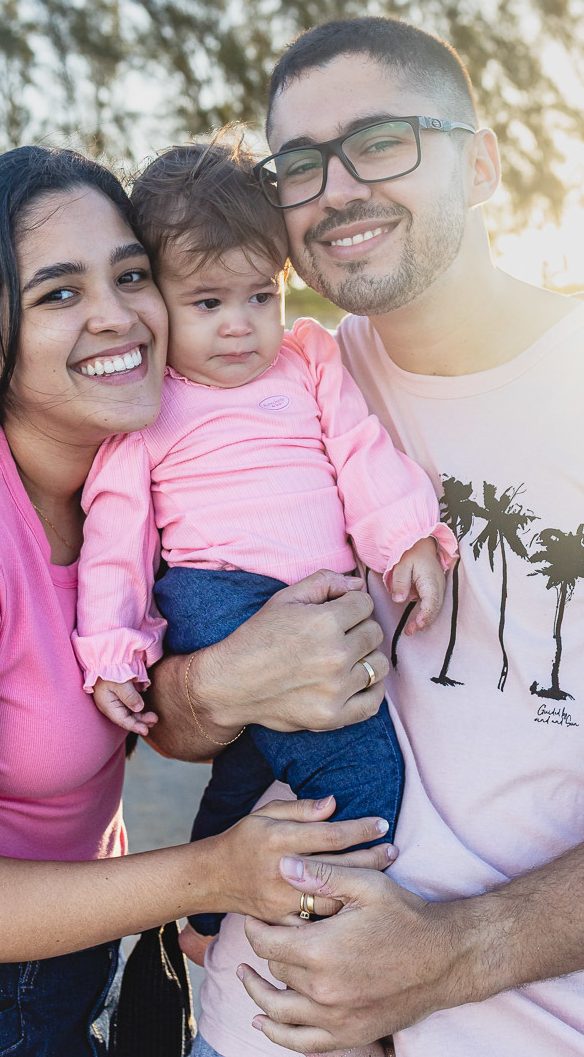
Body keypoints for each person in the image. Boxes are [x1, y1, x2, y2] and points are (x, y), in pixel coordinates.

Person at [0, 145, 396, 1057]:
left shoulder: (154, 488)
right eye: (59, 293)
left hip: (64, 977)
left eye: (130, 275)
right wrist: (211, 874)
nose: (116, 316)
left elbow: (162, 716)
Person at [187, 17, 584, 1057]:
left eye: (380, 142)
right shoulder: (279, 379)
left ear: (485, 162)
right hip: (264, 1021)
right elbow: (169, 716)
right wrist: (213, 684)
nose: (334, 189)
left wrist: (454, 952)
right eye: (300, 164)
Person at [71, 140, 457, 989]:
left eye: (260, 295)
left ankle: (206, 923)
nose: (240, 323)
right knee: (359, 767)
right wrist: (111, 648)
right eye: (207, 302)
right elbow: (116, 536)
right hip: (215, 596)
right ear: (158, 303)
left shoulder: (309, 360)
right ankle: (338, 933)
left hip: (321, 592)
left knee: (250, 768)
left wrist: (405, 539)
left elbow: (358, 450)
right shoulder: (149, 404)